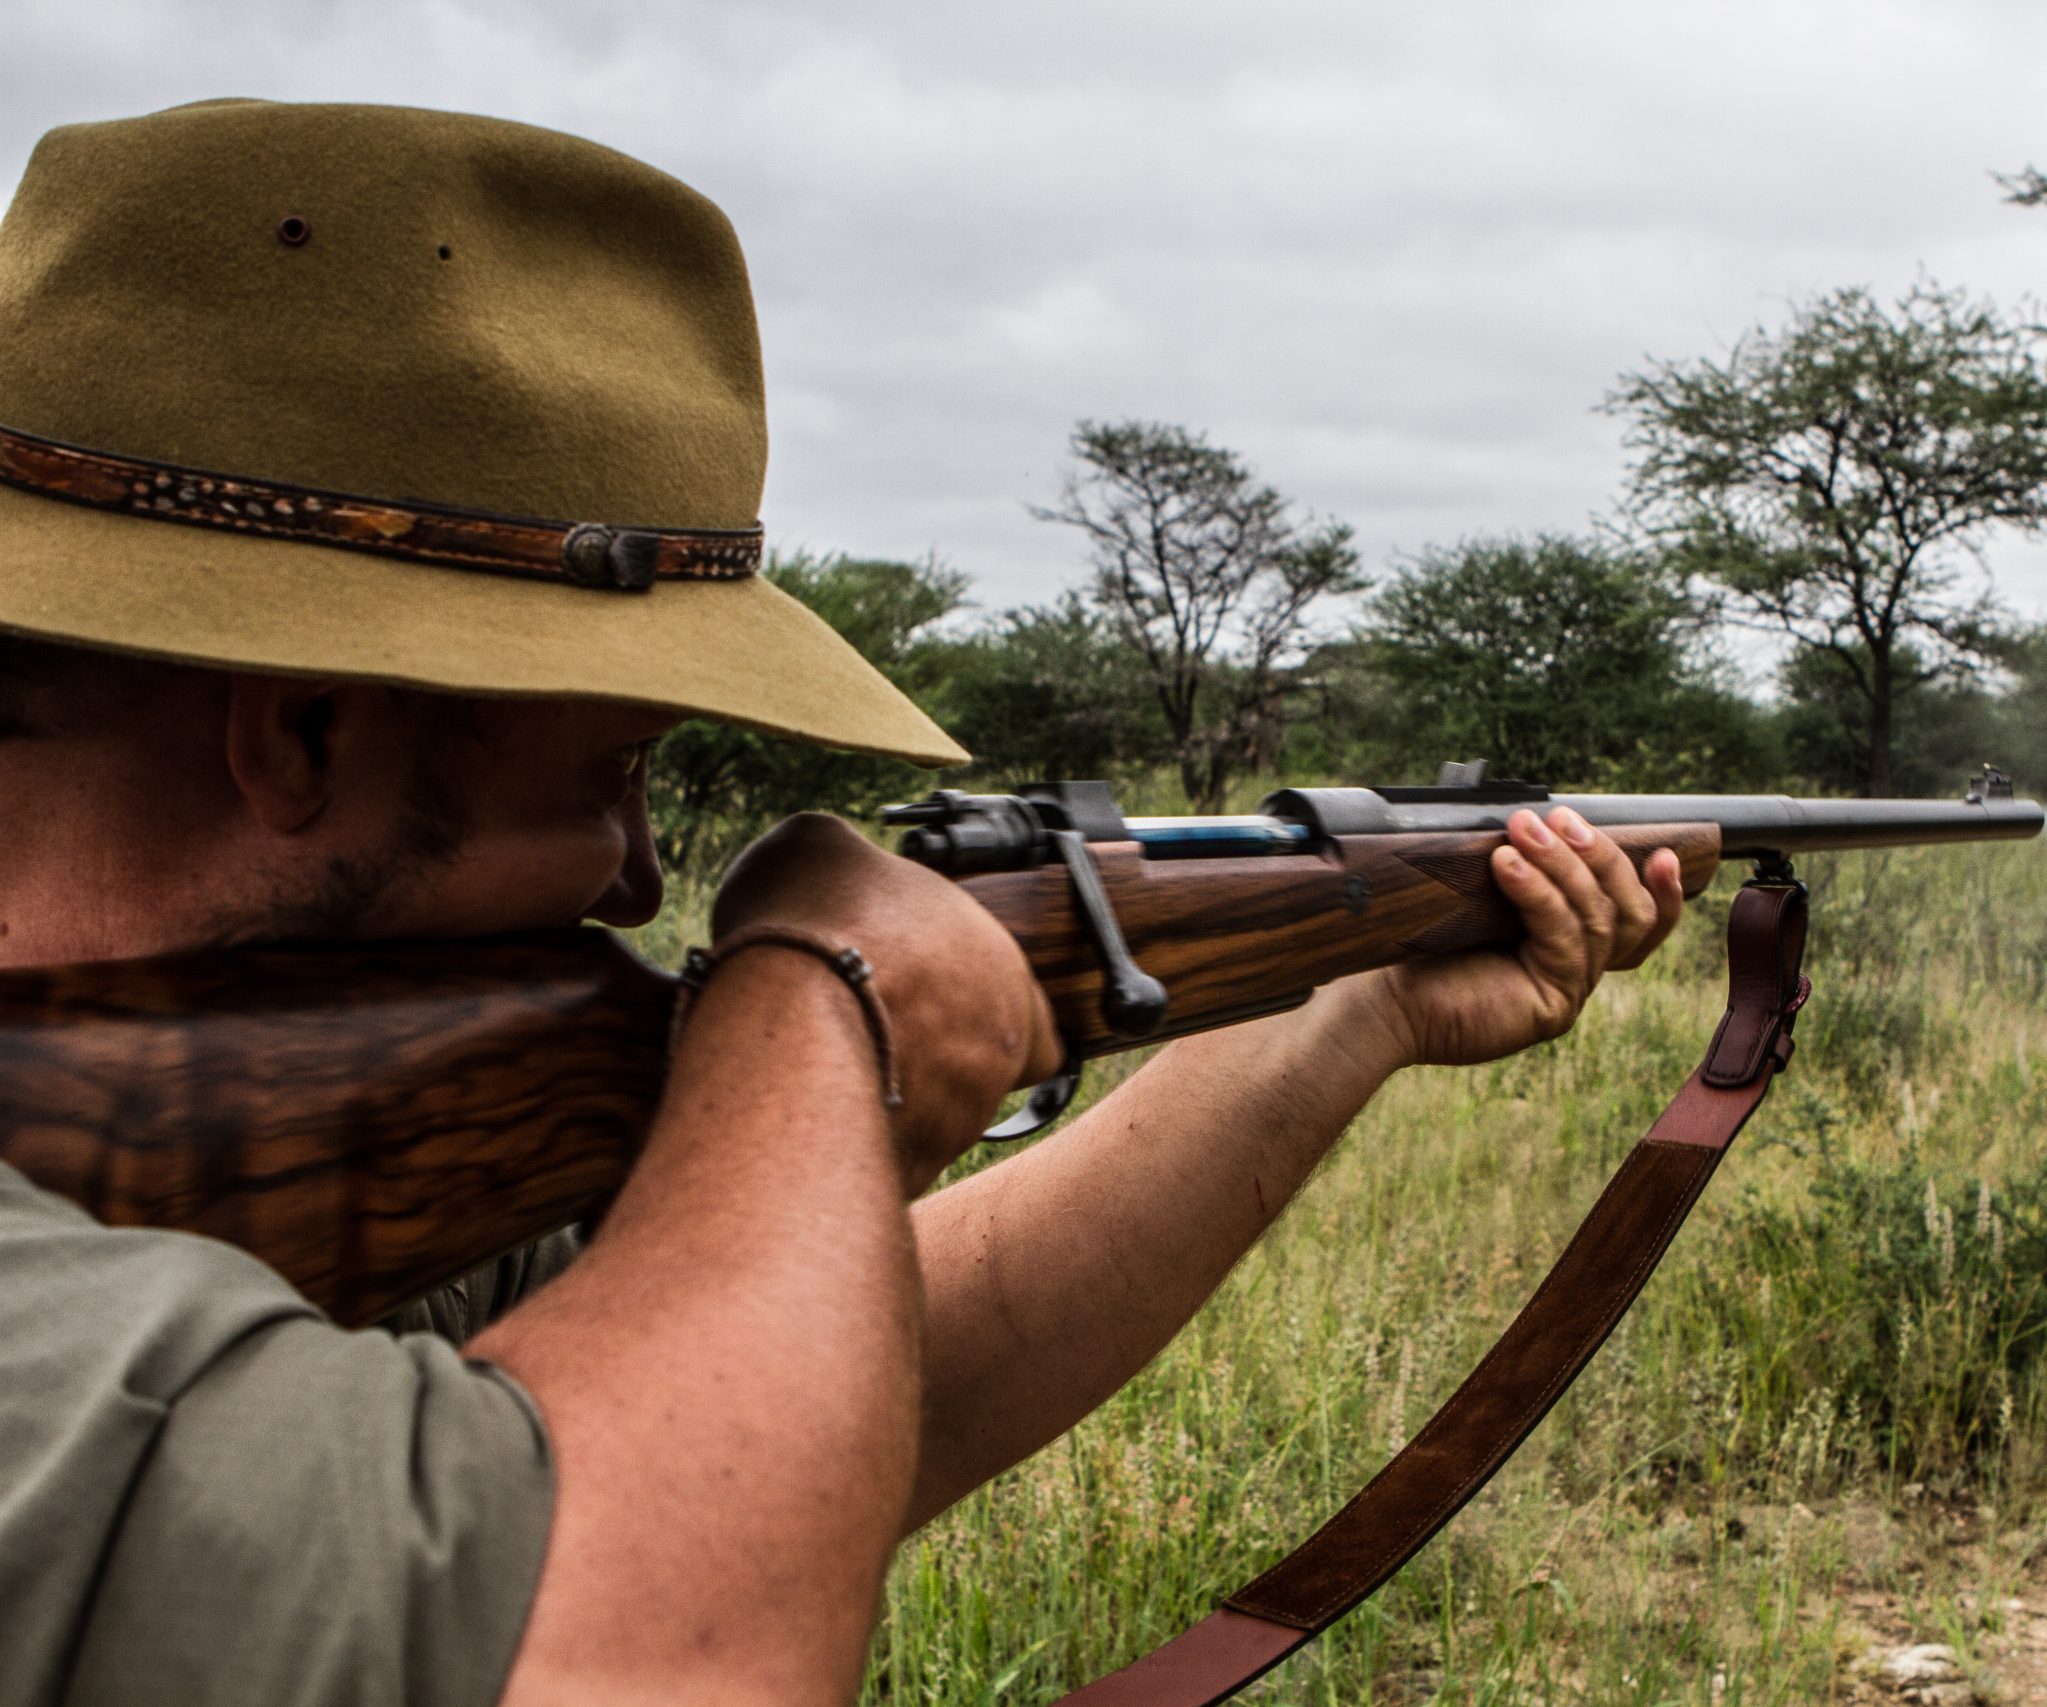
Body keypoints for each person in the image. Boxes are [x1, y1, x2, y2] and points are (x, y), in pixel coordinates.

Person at [0, 100, 1686, 1707]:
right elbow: (634, 1644)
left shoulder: (230, 1143)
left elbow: (774, 1425)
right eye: (607, 773)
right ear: (300, 731)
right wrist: (822, 1003)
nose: (644, 872)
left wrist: (1348, 1004)